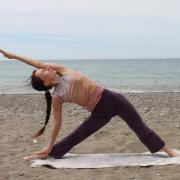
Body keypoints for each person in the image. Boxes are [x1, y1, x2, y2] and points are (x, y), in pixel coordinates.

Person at [0, 49, 177, 160]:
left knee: (139, 127)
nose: (46, 68)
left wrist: (13, 56)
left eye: (44, 67)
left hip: (112, 99)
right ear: (46, 83)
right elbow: (57, 123)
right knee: (77, 135)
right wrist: (49, 143)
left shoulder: (63, 71)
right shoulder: (57, 96)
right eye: (43, 72)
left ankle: (169, 152)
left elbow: (37, 63)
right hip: (99, 112)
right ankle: (48, 153)